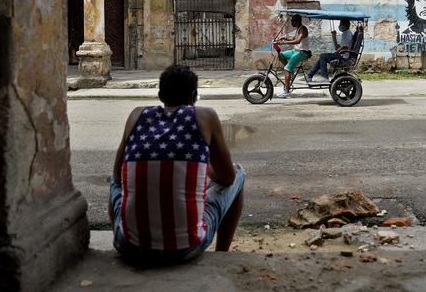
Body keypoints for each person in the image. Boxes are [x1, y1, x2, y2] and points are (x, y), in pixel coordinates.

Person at [109, 65, 245, 264]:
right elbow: (227, 177)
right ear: (194, 96)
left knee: (114, 183)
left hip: (129, 248)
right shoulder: (206, 116)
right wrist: (204, 167)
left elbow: (117, 174)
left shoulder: (136, 115)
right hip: (185, 248)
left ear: (160, 94)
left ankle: (125, 233)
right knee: (239, 174)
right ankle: (221, 255)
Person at [304, 18, 354, 82]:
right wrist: (334, 37)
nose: (339, 26)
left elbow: (345, 47)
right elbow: (338, 47)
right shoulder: (345, 33)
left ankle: (324, 77)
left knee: (323, 56)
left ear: (345, 25)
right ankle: (309, 76)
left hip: (343, 56)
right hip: (341, 54)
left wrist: (338, 50)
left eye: (340, 24)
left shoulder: (347, 34)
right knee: (322, 57)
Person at [274, 13, 310, 98]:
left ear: (297, 21)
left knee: (287, 69)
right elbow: (293, 39)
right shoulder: (298, 29)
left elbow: (298, 41)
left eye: (293, 21)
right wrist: (285, 38)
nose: (291, 23)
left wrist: (284, 42)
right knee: (281, 55)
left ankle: (286, 91)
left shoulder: (303, 29)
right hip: (296, 51)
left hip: (302, 52)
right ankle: (291, 71)